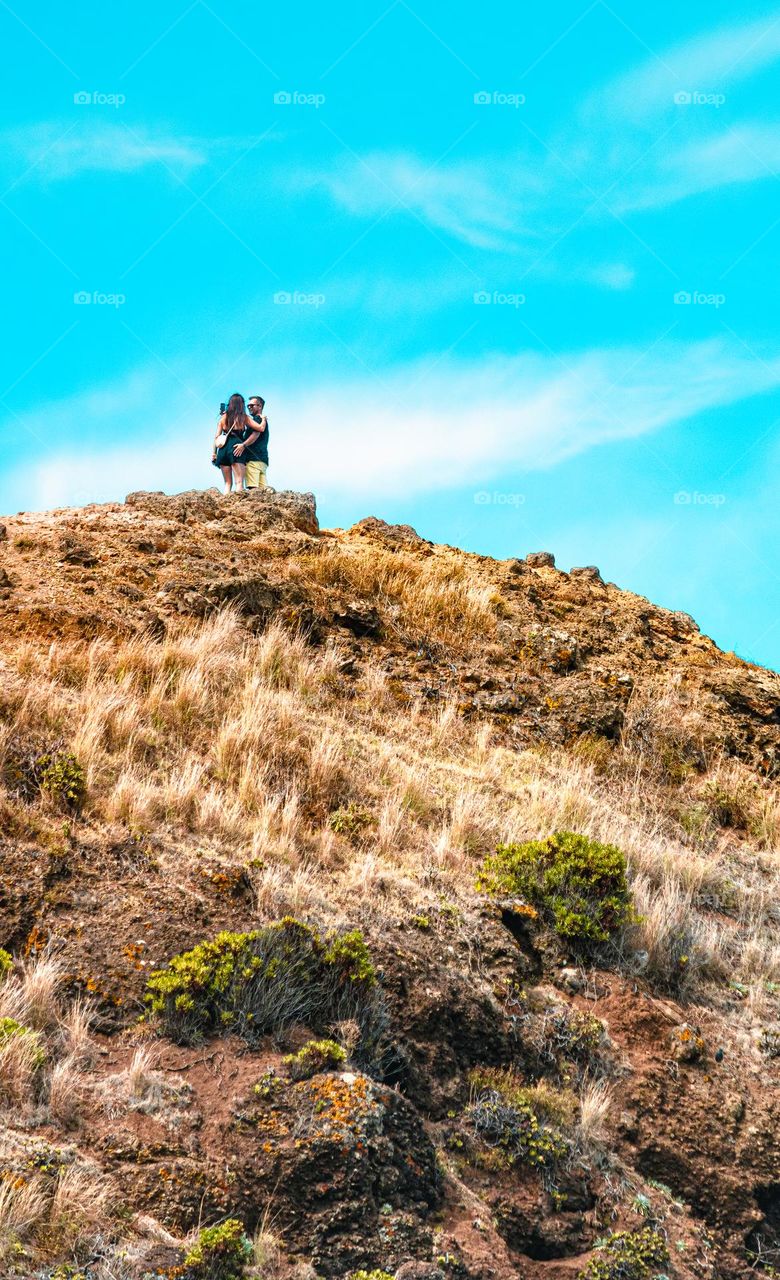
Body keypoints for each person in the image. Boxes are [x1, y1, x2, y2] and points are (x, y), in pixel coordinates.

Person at [212, 393, 255, 494]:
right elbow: (259, 428)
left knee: (227, 483)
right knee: (239, 482)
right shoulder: (243, 417)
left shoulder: (223, 418)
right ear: (241, 405)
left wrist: (214, 453)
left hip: (222, 450)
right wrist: (263, 420)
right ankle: (238, 506)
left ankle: (225, 504)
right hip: (236, 449)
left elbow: (216, 437)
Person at [241, 394, 270, 489]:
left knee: (253, 490)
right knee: (263, 492)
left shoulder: (257, 419)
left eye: (252, 405)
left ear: (260, 406)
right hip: (263, 460)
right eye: (248, 405)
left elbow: (255, 434)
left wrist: (243, 445)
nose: (249, 407)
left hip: (253, 459)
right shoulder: (263, 419)